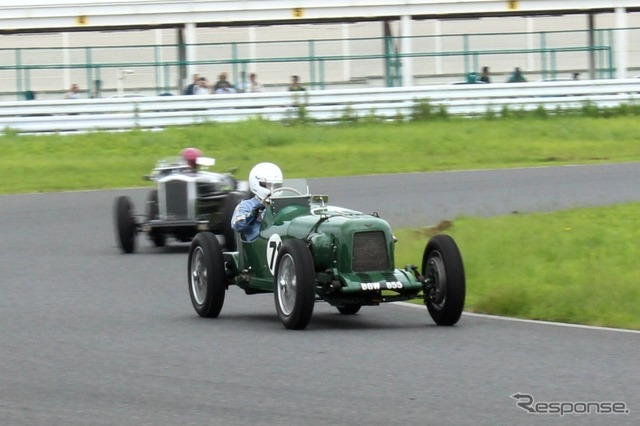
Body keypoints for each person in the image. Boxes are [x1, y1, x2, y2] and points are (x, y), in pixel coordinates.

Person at [231, 162, 283, 242]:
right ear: (257, 183)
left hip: (283, 239)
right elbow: (237, 224)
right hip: (258, 243)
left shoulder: (283, 204)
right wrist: (252, 215)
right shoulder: (247, 205)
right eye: (269, 185)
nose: (273, 189)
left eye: (277, 186)